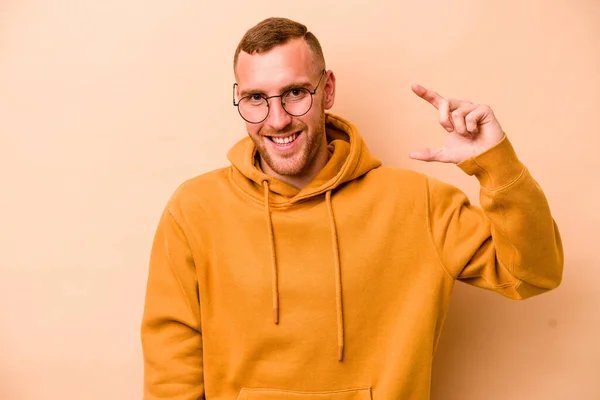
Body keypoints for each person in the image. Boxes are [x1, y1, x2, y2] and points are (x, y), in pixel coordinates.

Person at [140, 16, 563, 400]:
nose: (277, 119)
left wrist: (496, 164)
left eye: (294, 93)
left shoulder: (419, 204)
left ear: (327, 91)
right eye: (255, 98)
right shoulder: (194, 209)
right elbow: (170, 370)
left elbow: (532, 274)